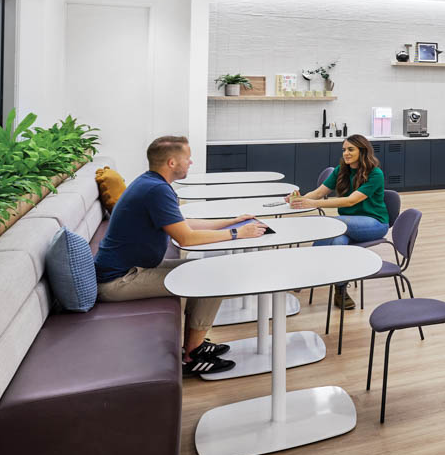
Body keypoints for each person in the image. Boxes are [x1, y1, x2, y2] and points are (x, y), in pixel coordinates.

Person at [94, 135, 266, 376]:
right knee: (214, 278)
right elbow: (186, 239)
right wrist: (238, 233)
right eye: (188, 158)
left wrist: (230, 222)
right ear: (172, 162)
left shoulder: (151, 183)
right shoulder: (156, 190)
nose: (191, 162)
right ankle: (192, 356)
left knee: (206, 271)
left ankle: (195, 346)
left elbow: (182, 223)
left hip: (131, 270)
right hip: (118, 281)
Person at [290, 134, 390, 310]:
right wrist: (299, 199)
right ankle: (341, 290)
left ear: (363, 151)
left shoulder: (375, 174)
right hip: (347, 225)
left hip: (374, 224)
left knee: (333, 224)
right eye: (344, 150)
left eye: (351, 149)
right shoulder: (341, 170)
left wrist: (313, 203)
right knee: (338, 241)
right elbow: (319, 192)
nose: (346, 153)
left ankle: (304, 271)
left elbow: (351, 201)